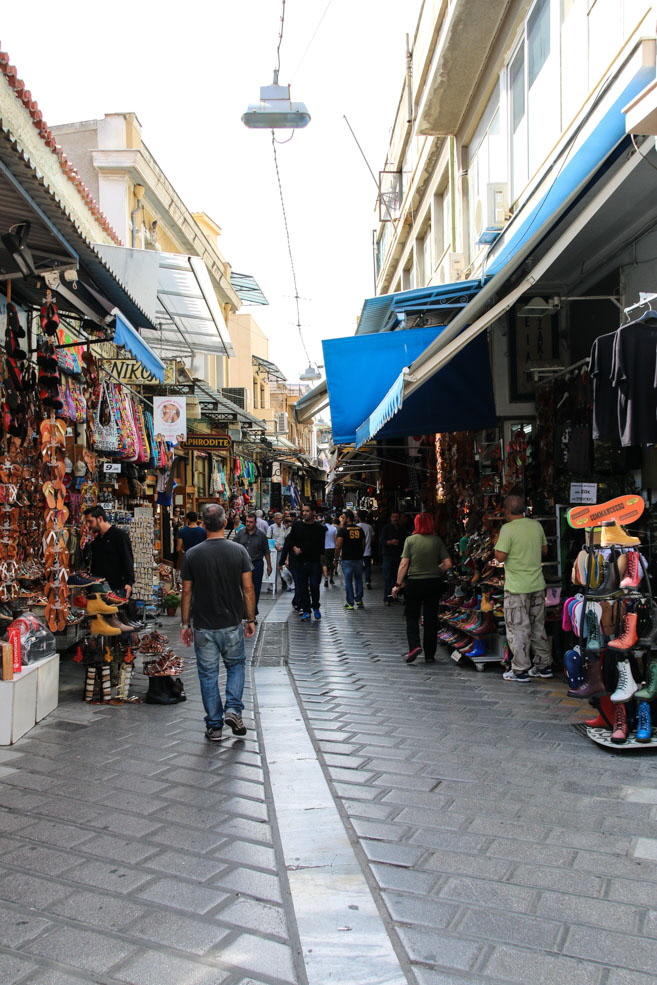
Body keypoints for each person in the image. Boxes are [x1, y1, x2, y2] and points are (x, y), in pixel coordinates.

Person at [180, 504, 255, 741]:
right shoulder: (239, 551)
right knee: (235, 666)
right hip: (231, 621)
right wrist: (250, 618)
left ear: (203, 525)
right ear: (225, 523)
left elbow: (186, 592)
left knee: (208, 675)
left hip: (203, 624)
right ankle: (233, 709)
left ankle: (214, 725)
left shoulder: (193, 554)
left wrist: (185, 624)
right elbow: (248, 588)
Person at [494, 494, 552, 682]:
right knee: (538, 626)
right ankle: (544, 666)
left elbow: (500, 557)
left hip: (517, 587)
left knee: (518, 627)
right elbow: (544, 551)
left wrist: (497, 542)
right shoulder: (536, 525)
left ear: (507, 510)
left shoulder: (507, 529)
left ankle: (520, 669)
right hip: (537, 584)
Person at [392, 513, 452, 663]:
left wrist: (397, 585)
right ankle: (430, 654)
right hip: (433, 583)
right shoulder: (437, 540)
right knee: (431, 619)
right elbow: (448, 564)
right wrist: (436, 569)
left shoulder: (410, 540)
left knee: (412, 616)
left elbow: (404, 564)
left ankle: (414, 646)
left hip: (415, 583)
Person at [84, 505, 134, 599]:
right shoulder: (96, 540)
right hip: (99, 587)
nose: (88, 525)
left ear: (99, 519)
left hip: (117, 587)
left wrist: (129, 582)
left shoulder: (119, 536)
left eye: (90, 521)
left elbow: (127, 559)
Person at [286, 502, 325, 621]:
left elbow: (321, 547)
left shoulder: (319, 528)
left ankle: (316, 607)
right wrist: (294, 548)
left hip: (314, 562)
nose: (305, 513)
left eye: (307, 511)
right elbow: (290, 540)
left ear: (313, 512)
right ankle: (306, 610)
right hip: (300, 562)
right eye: (303, 511)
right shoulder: (297, 526)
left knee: (314, 586)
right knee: (302, 587)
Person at [233, 513, 272, 618]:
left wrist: (269, 565)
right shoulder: (240, 534)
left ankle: (252, 612)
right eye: (247, 522)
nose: (248, 524)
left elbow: (266, 551)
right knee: (242, 588)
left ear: (255, 522)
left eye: (251, 522)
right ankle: (245, 610)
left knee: (255, 589)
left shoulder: (261, 535)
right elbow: (234, 548)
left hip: (256, 564)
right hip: (242, 565)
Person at [334, 509, 365, 610]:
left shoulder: (343, 530)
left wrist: (336, 558)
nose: (341, 520)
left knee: (348, 581)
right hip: (358, 558)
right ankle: (359, 599)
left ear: (348, 518)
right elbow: (363, 544)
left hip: (347, 558)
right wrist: (361, 553)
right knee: (359, 579)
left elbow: (338, 545)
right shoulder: (359, 529)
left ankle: (350, 602)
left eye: (343, 518)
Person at [379, 511, 407, 604]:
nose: (395, 519)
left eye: (397, 517)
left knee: (396, 577)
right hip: (388, 556)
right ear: (390, 518)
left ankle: (394, 595)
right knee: (387, 577)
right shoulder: (386, 528)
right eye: (393, 517)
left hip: (399, 556)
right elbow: (381, 541)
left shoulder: (402, 529)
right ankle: (387, 597)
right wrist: (390, 542)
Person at [357, 509, 375, 589]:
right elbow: (373, 538)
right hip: (367, 550)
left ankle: (359, 581)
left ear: (358, 517)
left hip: (358, 552)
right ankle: (367, 581)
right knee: (368, 567)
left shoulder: (356, 527)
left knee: (358, 567)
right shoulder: (369, 527)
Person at [322, 515, 338, 588]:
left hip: (324, 548)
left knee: (324, 564)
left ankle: (326, 578)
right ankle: (331, 578)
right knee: (331, 563)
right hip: (332, 548)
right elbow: (335, 540)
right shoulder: (334, 528)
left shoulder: (322, 528)